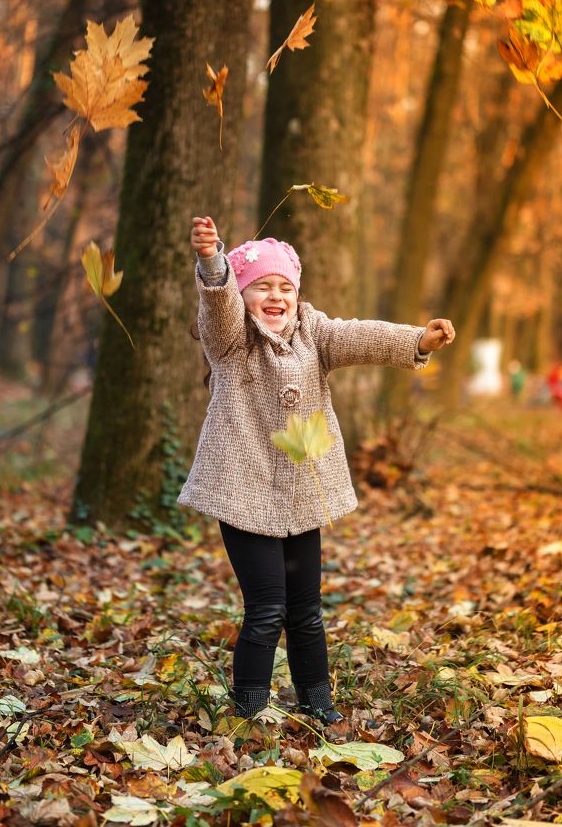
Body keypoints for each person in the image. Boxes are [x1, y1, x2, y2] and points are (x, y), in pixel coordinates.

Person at [178, 216, 455, 725]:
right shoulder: (231, 341)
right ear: (244, 296)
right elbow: (217, 306)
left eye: (285, 286)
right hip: (244, 491)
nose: (275, 296)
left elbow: (360, 337)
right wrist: (212, 262)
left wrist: (419, 340)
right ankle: (248, 711)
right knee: (266, 611)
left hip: (301, 495)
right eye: (262, 287)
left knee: (306, 611)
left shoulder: (314, 332)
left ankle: (317, 702)